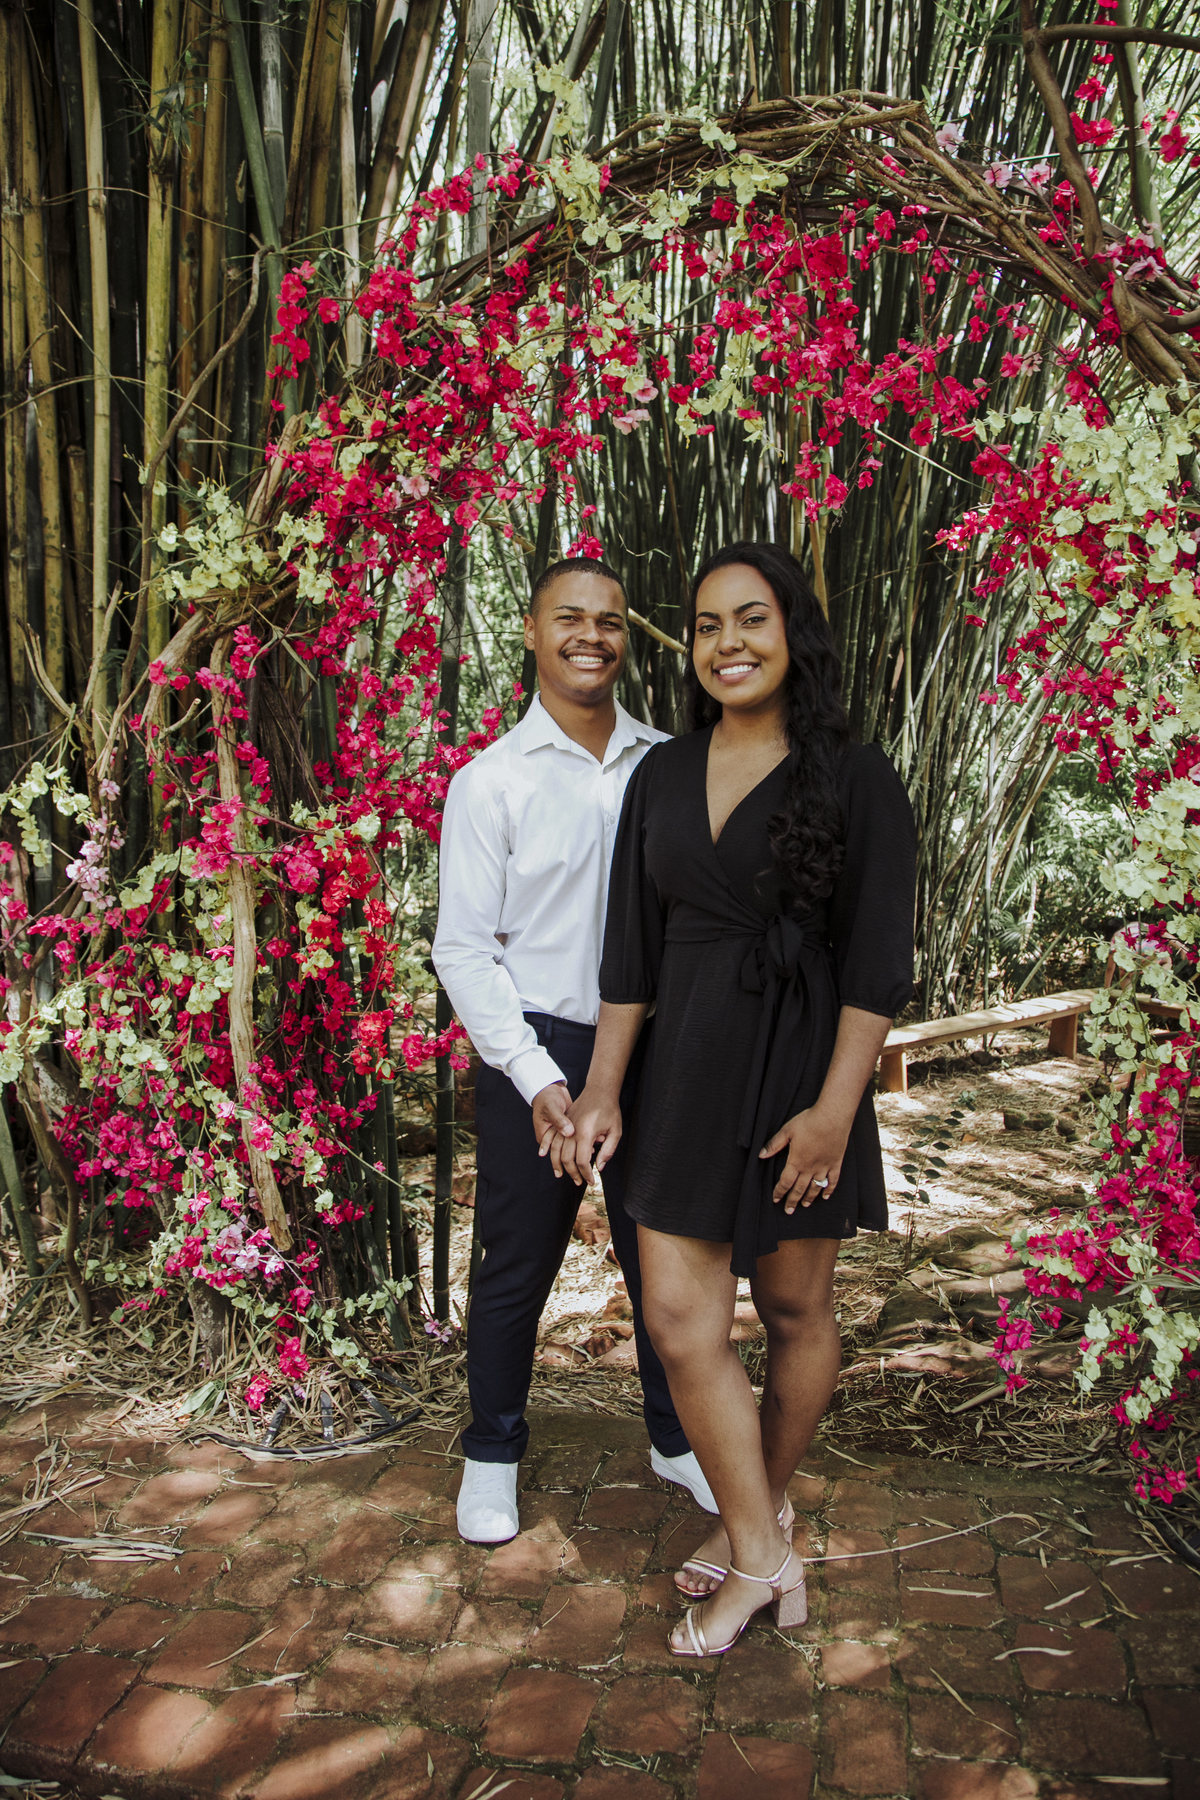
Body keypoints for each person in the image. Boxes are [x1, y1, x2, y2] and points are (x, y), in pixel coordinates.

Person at [552, 542, 915, 1655]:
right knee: (678, 1318)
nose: (728, 644)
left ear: (792, 629)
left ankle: (762, 1521)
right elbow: (629, 953)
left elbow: (878, 964)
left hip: (802, 1076)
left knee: (797, 1310)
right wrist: (603, 1087)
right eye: (707, 626)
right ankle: (762, 1551)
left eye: (751, 619)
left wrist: (835, 1113)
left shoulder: (856, 774)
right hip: (684, 1076)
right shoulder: (662, 773)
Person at [432, 556, 717, 1544]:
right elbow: (463, 949)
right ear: (531, 631)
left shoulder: (672, 762)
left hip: (659, 1045)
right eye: (570, 617)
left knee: (664, 1259)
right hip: (538, 1043)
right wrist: (537, 1076)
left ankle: (676, 1437)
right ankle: (492, 1453)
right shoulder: (491, 781)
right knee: (517, 1260)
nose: (592, 635)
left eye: (610, 620)